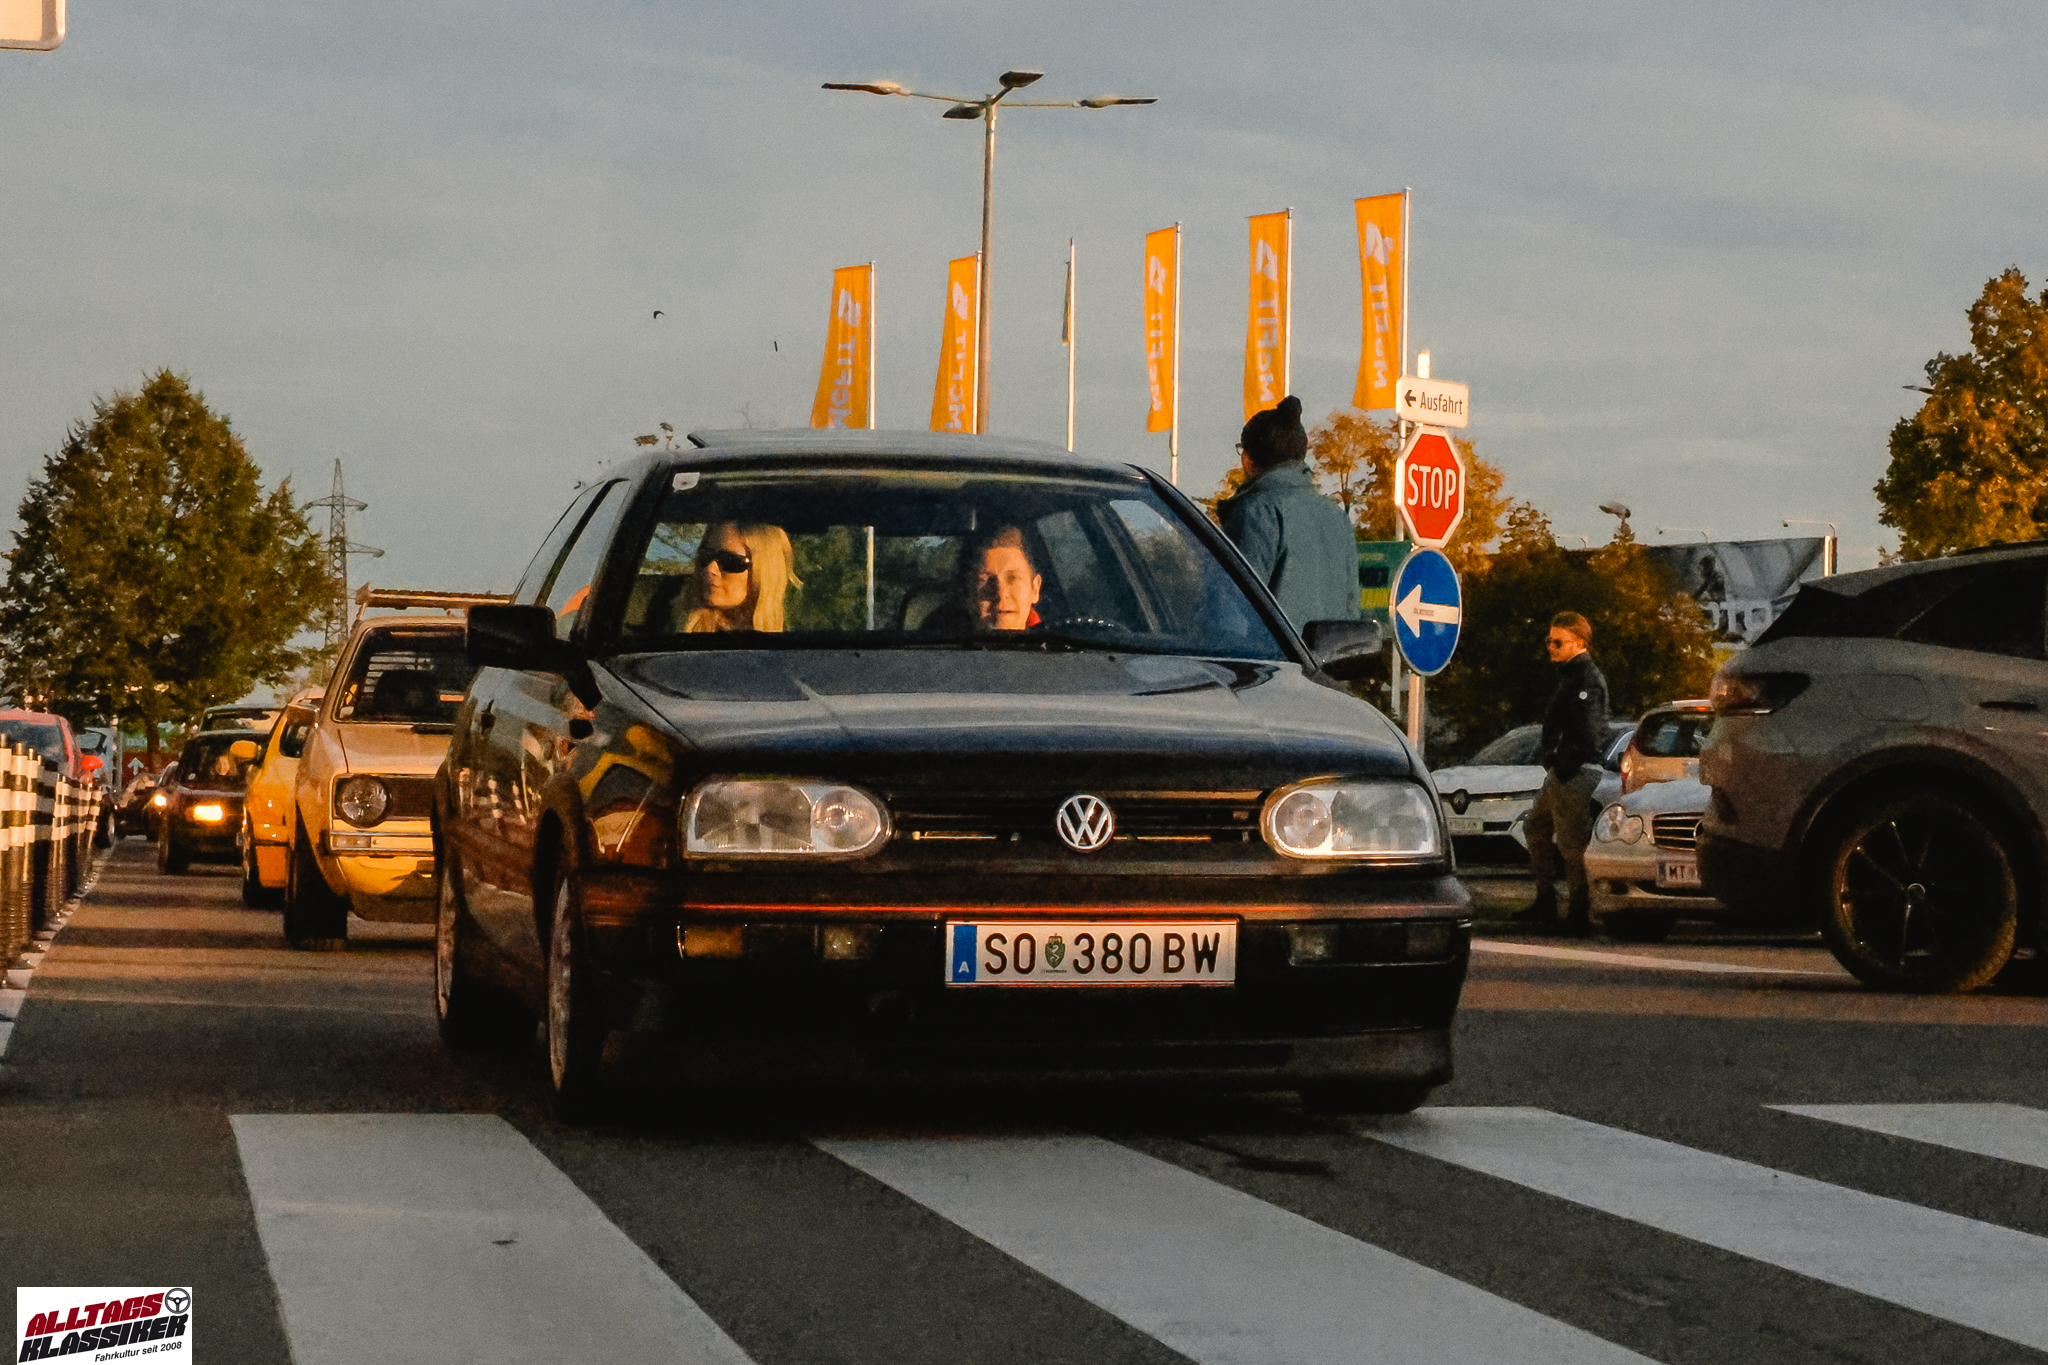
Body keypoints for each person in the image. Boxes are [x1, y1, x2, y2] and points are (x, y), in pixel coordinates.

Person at [1215, 395, 1360, 628]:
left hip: (1271, 652)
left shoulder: (1257, 513)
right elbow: (1351, 611)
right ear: (1301, 453)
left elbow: (1232, 613)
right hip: (1330, 652)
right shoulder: (1337, 518)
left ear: (1248, 458)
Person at [1512, 611, 1611, 936]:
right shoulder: (1572, 676)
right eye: (1549, 641)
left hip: (1574, 772)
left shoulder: (1585, 679)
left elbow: (1588, 733)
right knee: (1535, 828)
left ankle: (1579, 912)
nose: (1551, 647)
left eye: (1558, 642)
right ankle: (1547, 901)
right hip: (1563, 770)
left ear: (1579, 642)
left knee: (1572, 843)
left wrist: (1563, 763)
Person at [682, 523, 801, 633]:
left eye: (730, 561)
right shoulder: (677, 624)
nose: (710, 569)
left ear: (762, 572)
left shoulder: (796, 634)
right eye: (706, 556)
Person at [968, 526, 1042, 631]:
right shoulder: (947, 638)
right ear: (970, 593)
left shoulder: (1055, 639)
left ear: (1035, 589)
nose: (1001, 595)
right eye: (986, 581)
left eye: (1012, 578)